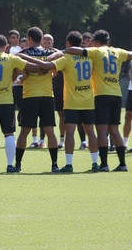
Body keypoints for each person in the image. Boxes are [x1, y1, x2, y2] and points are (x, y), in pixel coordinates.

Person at [62, 29, 132, 172]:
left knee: (102, 130)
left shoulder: (96, 51)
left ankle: (104, 164)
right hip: (116, 94)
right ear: (108, 41)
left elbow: (75, 50)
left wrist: (61, 51)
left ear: (96, 42)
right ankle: (123, 164)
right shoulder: (118, 51)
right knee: (115, 130)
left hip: (101, 94)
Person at [34, 31, 99, 172]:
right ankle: (95, 163)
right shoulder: (90, 57)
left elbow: (47, 65)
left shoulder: (67, 58)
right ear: (81, 43)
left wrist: (25, 58)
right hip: (88, 100)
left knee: (69, 132)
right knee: (90, 132)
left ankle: (69, 164)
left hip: (72, 101)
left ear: (68, 44)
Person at [0, 34, 40, 173]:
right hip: (6, 103)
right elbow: (31, 67)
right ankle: (10, 165)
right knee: (9, 134)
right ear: (7, 47)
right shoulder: (11, 58)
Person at [15, 27, 60, 172]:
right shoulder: (49, 54)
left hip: (30, 96)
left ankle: (18, 164)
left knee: (24, 132)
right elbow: (54, 73)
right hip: (47, 96)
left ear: (28, 39)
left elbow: (22, 75)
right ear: (41, 39)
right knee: (50, 131)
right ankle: (54, 165)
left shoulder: (23, 53)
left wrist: (23, 78)